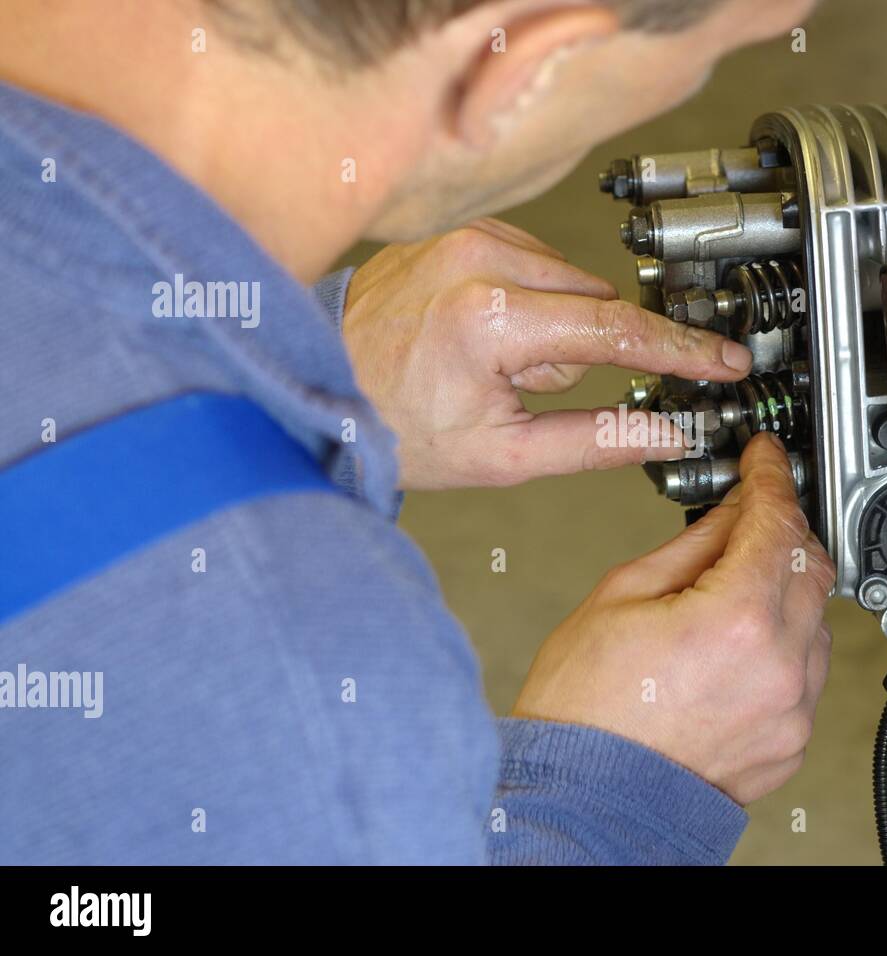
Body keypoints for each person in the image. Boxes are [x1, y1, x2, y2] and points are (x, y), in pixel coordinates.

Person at [0, 0, 832, 864]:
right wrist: (611, 801)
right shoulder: (311, 709)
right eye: (702, 62)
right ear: (519, 71)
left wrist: (307, 376)